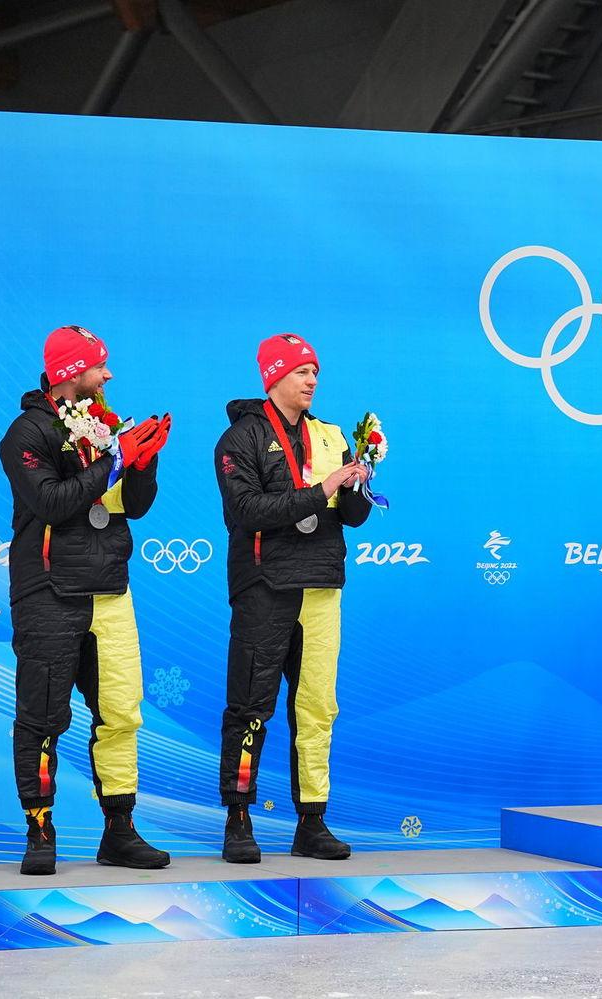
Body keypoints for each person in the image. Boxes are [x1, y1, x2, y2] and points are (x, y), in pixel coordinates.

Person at [0, 324, 172, 875]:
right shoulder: (25, 433)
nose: (108, 374)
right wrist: (115, 460)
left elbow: (133, 506)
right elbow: (53, 502)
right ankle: (40, 830)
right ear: (72, 372)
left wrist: (142, 464)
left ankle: (119, 831)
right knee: (42, 717)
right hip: (49, 591)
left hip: (110, 589)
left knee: (121, 714)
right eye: (99, 365)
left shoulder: (105, 425)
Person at [214, 334, 371, 862]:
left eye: (315, 372)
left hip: (320, 586)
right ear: (275, 377)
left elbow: (353, 516)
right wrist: (322, 489)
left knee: (317, 709)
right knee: (250, 706)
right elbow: (248, 512)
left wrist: (359, 479)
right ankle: (239, 819)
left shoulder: (330, 435)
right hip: (265, 587)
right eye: (302, 371)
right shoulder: (239, 439)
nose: (312, 381)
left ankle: (312, 821)